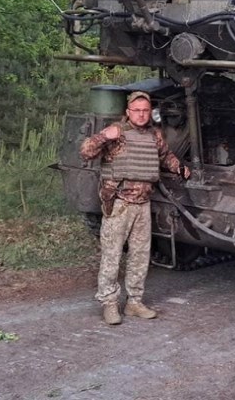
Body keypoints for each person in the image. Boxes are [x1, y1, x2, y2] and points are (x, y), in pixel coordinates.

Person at [79, 91, 190, 326]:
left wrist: (180, 168)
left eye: (145, 110)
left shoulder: (154, 135)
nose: (141, 114)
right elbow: (86, 152)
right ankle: (109, 303)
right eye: (136, 110)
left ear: (150, 113)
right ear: (128, 112)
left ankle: (134, 302)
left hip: (143, 205)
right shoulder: (117, 133)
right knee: (112, 255)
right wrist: (102, 136)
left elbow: (166, 157)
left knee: (140, 256)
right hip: (119, 203)